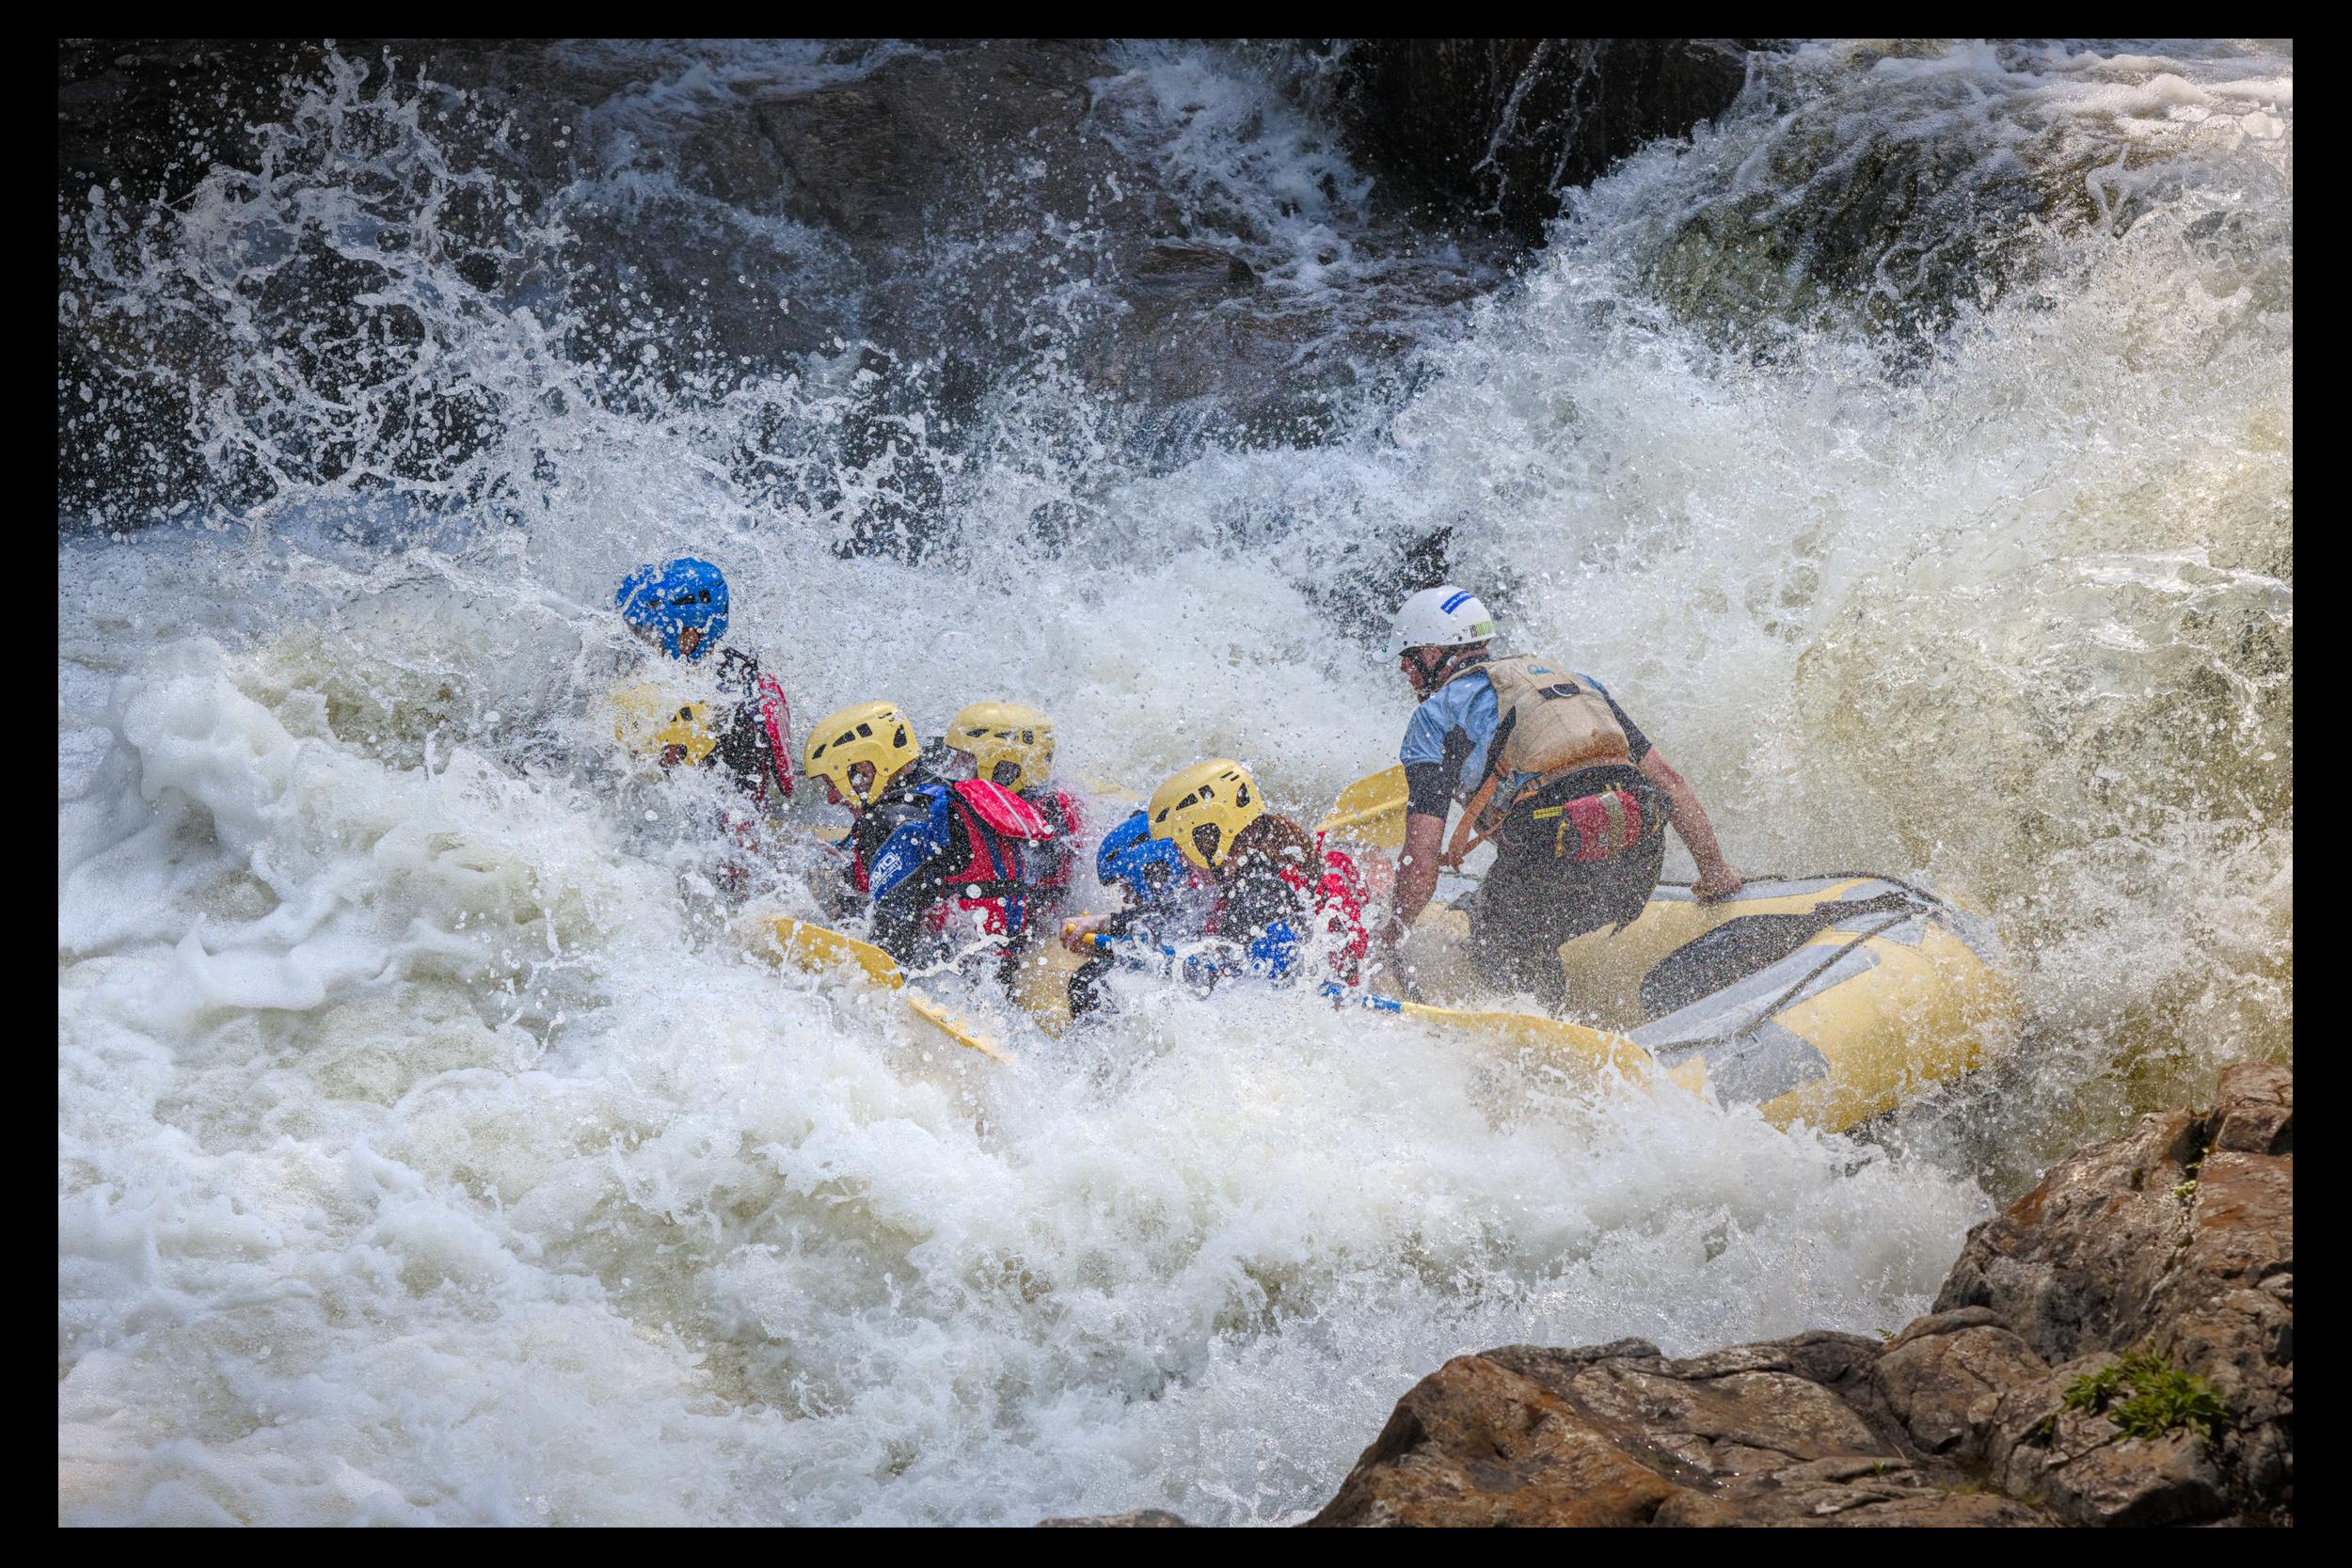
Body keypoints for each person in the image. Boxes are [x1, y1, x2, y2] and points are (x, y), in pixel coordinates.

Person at [1379, 584, 1742, 1012]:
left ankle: (1543, 1022)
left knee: (1492, 934)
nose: (1403, 668)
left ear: (1435, 651)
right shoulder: (1571, 681)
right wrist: (1714, 872)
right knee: (1520, 911)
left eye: (1409, 656)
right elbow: (1670, 782)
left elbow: (1422, 858)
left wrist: (1392, 934)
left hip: (1550, 865)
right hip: (1637, 866)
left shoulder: (1434, 716)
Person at [1061, 759, 1370, 1007]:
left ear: (1211, 835)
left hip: (1292, 1013)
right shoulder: (1246, 874)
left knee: (1092, 984)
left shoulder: (1259, 893)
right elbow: (1183, 919)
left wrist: (1119, 951)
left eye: (1181, 846)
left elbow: (1219, 979)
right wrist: (1106, 926)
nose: (1181, 860)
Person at [803, 701, 1057, 985]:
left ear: (865, 767)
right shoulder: (942, 792)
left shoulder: (890, 820)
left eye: (831, 784)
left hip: (953, 980)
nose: (831, 799)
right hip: (998, 969)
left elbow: (892, 943)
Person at [612, 558, 794, 814]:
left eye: (647, 635)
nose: (638, 648)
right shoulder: (673, 676)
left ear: (690, 635)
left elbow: (744, 806)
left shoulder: (739, 704)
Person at [942, 702, 1087, 926]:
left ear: (1004, 763)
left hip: (1029, 927)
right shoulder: (1062, 803)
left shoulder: (1045, 815)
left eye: (965, 759)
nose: (954, 767)